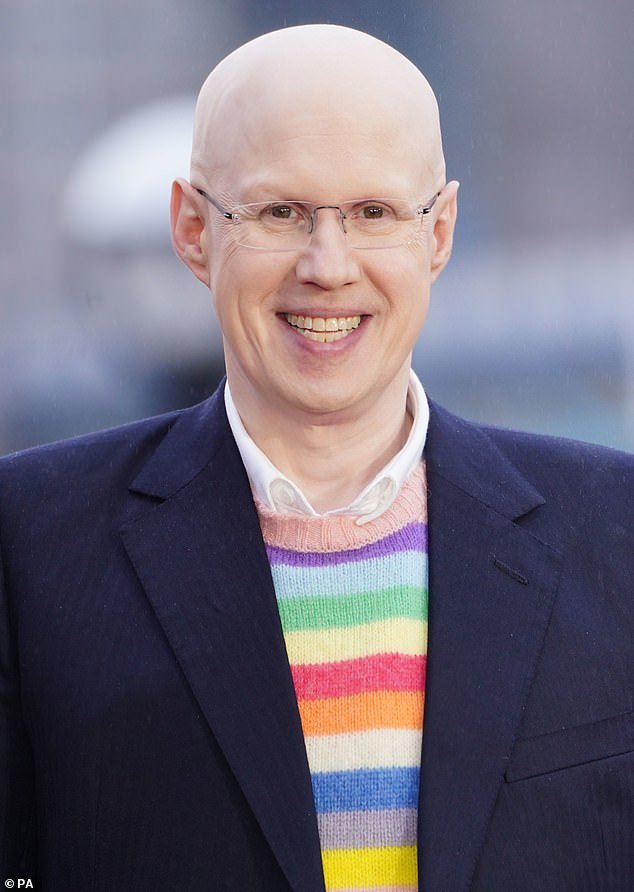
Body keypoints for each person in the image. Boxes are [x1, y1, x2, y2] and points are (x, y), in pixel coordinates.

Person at [1, 23, 632, 892]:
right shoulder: (29, 545)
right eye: (280, 213)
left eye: (373, 213)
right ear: (192, 230)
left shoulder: (616, 530)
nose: (327, 266)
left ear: (439, 232)